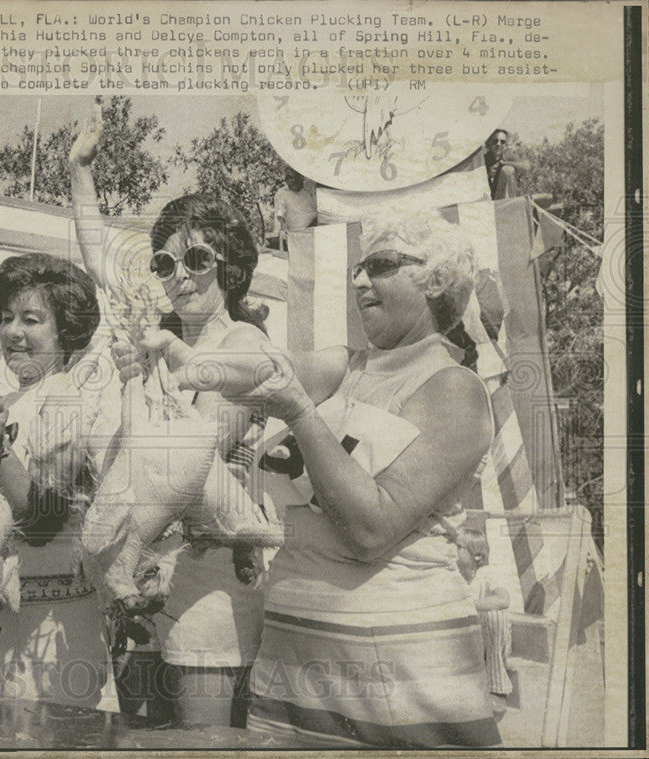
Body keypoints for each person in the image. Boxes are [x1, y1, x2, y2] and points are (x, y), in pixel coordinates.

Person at [243, 210, 502, 747]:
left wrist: (299, 412)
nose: (359, 280)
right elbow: (249, 375)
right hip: (294, 676)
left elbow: (370, 529)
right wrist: (184, 349)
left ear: (435, 279)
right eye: (358, 267)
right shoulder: (347, 366)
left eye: (380, 265)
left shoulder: (453, 388)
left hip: (401, 693)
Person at [70, 101, 275, 728]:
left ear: (232, 269)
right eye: (164, 262)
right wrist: (80, 172)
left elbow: (201, 451)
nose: (177, 276)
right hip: (139, 564)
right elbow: (102, 264)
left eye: (196, 260)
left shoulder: (246, 346)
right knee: (138, 734)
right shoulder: (151, 341)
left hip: (208, 569)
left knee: (199, 743)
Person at [0, 252, 117, 708]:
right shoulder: (4, 397)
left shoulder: (75, 399)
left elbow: (43, 521)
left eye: (31, 319)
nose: (13, 332)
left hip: (53, 623)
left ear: (67, 328)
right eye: (6, 318)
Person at [457, 528, 515, 712]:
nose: (452, 550)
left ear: (476, 556)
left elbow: (503, 600)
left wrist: (468, 605)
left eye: (458, 547)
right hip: (463, 642)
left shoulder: (487, 574)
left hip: (489, 643)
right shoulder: (450, 575)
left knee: (495, 615)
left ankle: (497, 688)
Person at [271, 166, 319, 249]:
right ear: (285, 180)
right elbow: (279, 216)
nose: (293, 180)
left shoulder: (307, 190)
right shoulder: (282, 194)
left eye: (296, 177)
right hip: (300, 237)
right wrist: (281, 231)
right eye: (289, 177)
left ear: (301, 177)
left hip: (318, 232)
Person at [484, 129, 531, 200]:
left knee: (508, 169)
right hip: (485, 200)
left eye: (502, 142)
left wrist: (503, 163)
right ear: (489, 143)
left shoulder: (508, 156)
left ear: (505, 145)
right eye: (495, 141)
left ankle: (507, 204)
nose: (498, 144)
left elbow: (527, 167)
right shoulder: (483, 158)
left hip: (502, 200)